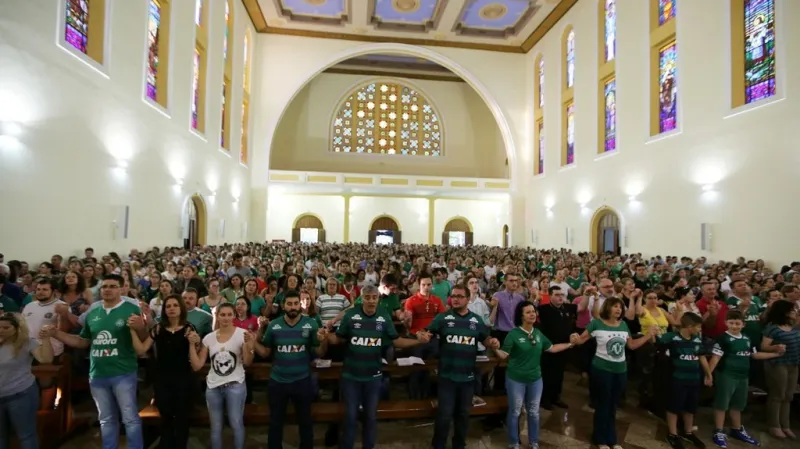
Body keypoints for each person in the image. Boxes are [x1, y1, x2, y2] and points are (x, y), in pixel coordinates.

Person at [45, 273, 147, 449]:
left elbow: (144, 341)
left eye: (112, 286)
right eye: (104, 286)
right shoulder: (94, 311)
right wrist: (56, 334)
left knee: (130, 418)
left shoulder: (131, 309)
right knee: (106, 418)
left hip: (123, 372)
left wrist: (141, 328)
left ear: (122, 289)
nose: (107, 290)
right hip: (97, 374)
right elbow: (82, 341)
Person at [327, 285, 425, 449]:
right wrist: (324, 337)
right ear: (362, 299)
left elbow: (396, 341)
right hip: (351, 376)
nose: (371, 301)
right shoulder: (351, 315)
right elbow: (338, 339)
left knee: (370, 417)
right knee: (350, 417)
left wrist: (418, 341)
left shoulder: (384, 316)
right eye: (367, 297)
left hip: (373, 376)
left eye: (374, 297)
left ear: (378, 299)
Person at [419, 283, 500, 449]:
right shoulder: (443, 318)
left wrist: (492, 342)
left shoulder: (475, 320)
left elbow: (484, 338)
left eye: (459, 296)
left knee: (463, 415)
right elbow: (427, 332)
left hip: (468, 377)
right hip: (447, 376)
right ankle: (438, 444)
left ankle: (459, 444)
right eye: (453, 296)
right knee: (444, 415)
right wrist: (423, 334)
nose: (455, 299)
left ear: (468, 299)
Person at [570, 297, 657, 449]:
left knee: (613, 406)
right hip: (602, 370)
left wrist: (648, 335)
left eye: (620, 307)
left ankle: (612, 439)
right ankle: (600, 439)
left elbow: (631, 345)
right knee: (603, 404)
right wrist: (574, 337)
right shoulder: (596, 323)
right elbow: (580, 341)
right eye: (615, 306)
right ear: (608, 308)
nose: (618, 309)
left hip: (620, 370)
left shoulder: (623, 325)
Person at [254, 290, 329, 449]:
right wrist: (252, 341)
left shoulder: (311, 323)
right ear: (283, 305)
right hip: (278, 381)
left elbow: (319, 352)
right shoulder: (274, 325)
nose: (293, 307)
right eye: (289, 304)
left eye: (296, 303)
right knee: (275, 422)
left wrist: (324, 341)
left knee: (305, 421)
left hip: (302, 380)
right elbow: (266, 352)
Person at [495, 301, 573, 449]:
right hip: (516, 379)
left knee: (534, 412)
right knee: (515, 411)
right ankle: (513, 442)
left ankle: (534, 442)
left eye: (533, 311)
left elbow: (552, 348)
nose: (532, 314)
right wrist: (495, 348)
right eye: (528, 312)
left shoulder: (537, 333)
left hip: (535, 379)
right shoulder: (513, 334)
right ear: (521, 316)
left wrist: (570, 344)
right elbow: (503, 355)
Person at [708, 310, 783, 448]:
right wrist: (708, 374)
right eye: (731, 323)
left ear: (743, 324)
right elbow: (715, 358)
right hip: (726, 375)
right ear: (726, 323)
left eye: (737, 323)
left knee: (738, 404)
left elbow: (755, 355)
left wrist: (775, 354)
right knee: (722, 404)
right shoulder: (722, 338)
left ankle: (737, 429)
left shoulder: (747, 338)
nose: (734, 326)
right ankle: (719, 430)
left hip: (743, 376)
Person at [129, 295, 195, 449]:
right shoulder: (158, 328)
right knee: (165, 417)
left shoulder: (188, 329)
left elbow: (194, 355)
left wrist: (195, 342)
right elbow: (141, 349)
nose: (171, 309)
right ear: (164, 310)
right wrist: (132, 331)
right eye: (168, 306)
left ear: (181, 309)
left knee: (182, 418)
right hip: (163, 379)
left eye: (175, 305)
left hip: (183, 379)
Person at [188, 303, 254, 449]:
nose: (226, 318)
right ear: (217, 316)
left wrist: (250, 345)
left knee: (236, 423)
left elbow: (247, 362)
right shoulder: (209, 338)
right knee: (215, 427)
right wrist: (192, 345)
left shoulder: (242, 334)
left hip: (235, 385)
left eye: (229, 314)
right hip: (213, 386)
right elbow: (197, 365)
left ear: (234, 316)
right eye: (222, 315)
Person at [657, 312, 713, 449]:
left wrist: (708, 374)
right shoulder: (672, 338)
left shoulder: (697, 340)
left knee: (691, 407)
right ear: (689, 326)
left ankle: (688, 432)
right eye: (698, 327)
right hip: (677, 378)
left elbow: (702, 357)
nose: (700, 330)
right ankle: (672, 434)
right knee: (674, 406)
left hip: (694, 378)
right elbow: (657, 343)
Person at [0, 313, 54, 449]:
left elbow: (45, 359)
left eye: (6, 328)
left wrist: (46, 340)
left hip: (21, 394)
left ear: (17, 329)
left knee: (26, 435)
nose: (1, 330)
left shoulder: (27, 342)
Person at [760, 300, 800, 439]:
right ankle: (774, 425)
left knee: (789, 396)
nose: (794, 312)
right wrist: (776, 347)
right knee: (778, 395)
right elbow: (764, 346)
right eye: (792, 310)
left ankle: (786, 425)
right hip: (778, 364)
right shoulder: (772, 327)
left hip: (793, 363)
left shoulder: (793, 326)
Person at [536, 285, 576, 410]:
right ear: (550, 296)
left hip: (564, 347)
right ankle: (544, 399)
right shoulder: (543, 309)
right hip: (548, 347)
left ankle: (556, 397)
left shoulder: (567, 309)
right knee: (547, 373)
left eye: (562, 295)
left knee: (559, 373)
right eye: (557, 295)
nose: (560, 297)